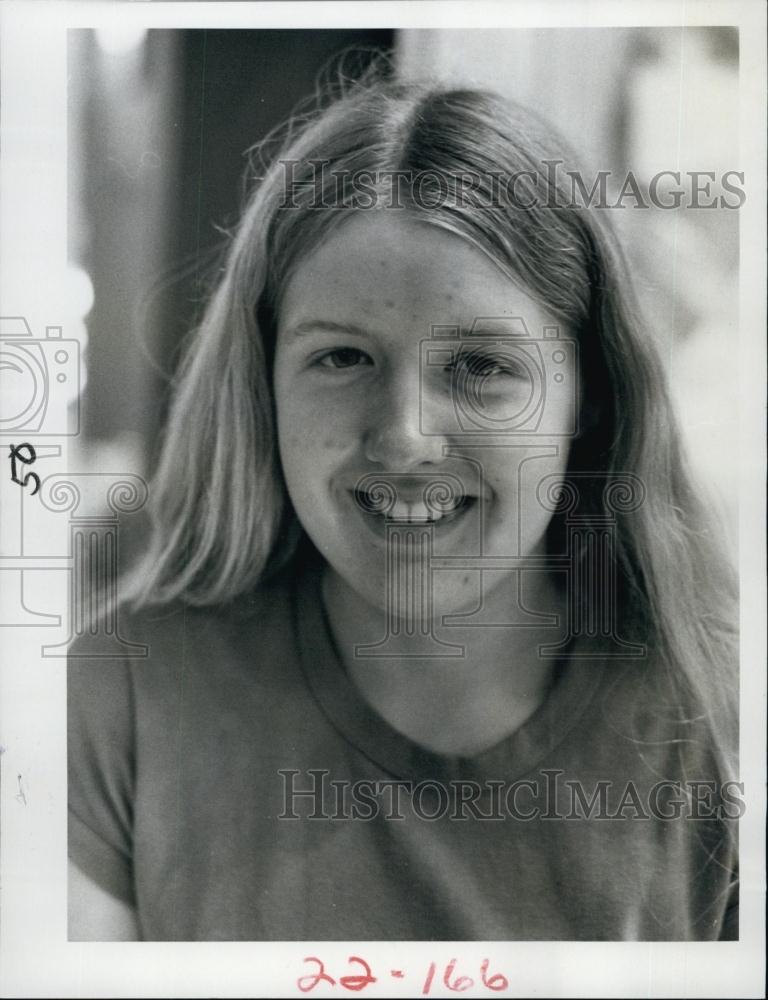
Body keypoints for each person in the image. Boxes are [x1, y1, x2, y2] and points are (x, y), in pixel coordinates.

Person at [68, 69, 739, 941]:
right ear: (263, 389)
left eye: (482, 367)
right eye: (343, 358)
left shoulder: (710, 719)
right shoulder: (124, 694)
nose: (406, 438)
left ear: (594, 401)